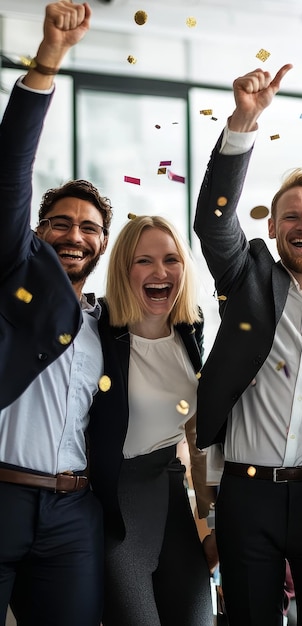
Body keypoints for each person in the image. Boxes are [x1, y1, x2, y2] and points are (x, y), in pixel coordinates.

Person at [193, 63, 302, 626]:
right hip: (248, 497)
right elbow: (212, 225)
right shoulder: (247, 281)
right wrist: (245, 120)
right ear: (271, 227)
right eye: (290, 215)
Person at [0, 3, 111, 625]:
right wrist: (48, 62)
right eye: (60, 223)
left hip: (73, 514)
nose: (75, 235)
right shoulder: (11, 282)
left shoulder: (107, 325)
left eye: (90, 228)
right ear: (37, 235)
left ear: (102, 245)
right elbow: (10, 173)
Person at [87, 215, 213, 625]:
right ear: (124, 269)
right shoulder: (98, 326)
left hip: (172, 496)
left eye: (171, 259)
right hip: (115, 507)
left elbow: (199, 433)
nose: (160, 272)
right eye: (144, 261)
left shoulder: (190, 328)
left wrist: (212, 522)